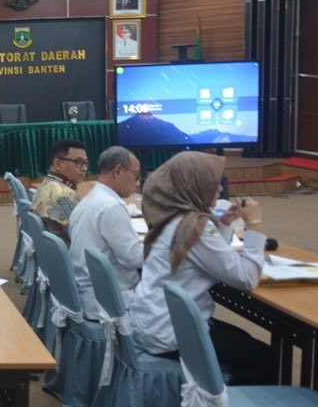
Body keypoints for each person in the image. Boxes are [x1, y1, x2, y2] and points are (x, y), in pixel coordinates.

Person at [129, 151, 275, 385]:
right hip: (170, 334)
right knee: (262, 357)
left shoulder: (172, 217)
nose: (220, 189)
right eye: (214, 183)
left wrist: (224, 223)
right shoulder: (195, 227)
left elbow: (210, 258)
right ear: (195, 187)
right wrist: (254, 225)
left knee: (243, 339)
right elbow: (246, 278)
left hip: (151, 324)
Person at [68, 146, 143, 320]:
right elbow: (134, 259)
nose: (138, 183)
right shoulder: (111, 206)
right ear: (118, 171)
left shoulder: (87, 201)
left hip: (87, 294)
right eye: (136, 175)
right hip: (110, 301)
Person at [30, 139, 88, 246]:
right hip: (71, 254)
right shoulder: (64, 195)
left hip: (49, 252)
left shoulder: (47, 183)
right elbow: (84, 237)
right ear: (58, 164)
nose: (84, 168)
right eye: (77, 162)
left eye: (85, 163)